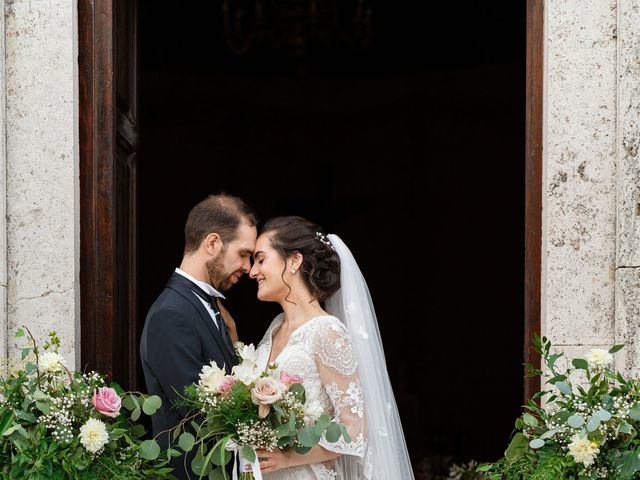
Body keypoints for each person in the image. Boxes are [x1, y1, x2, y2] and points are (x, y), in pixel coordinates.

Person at [248, 216, 414, 479]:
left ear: (294, 261)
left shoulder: (327, 331)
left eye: (260, 259)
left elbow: (354, 429)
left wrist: (288, 457)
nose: (252, 271)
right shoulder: (276, 327)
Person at [139, 193, 257, 479]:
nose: (248, 268)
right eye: (243, 254)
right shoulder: (171, 314)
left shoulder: (211, 308)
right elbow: (201, 413)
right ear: (213, 243)